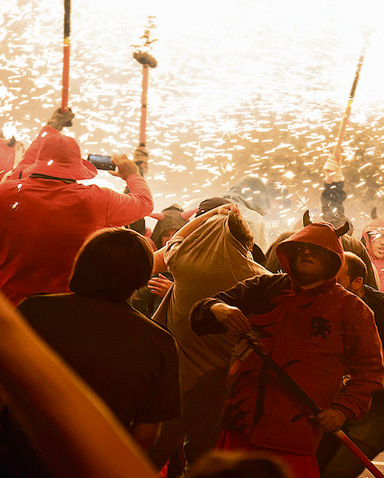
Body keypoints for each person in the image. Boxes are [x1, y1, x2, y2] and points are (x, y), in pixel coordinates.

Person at [189, 215, 384, 478]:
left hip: (295, 435)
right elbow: (202, 313)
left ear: (333, 258)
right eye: (300, 248)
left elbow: (370, 371)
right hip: (240, 425)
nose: (306, 254)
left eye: (315, 250)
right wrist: (217, 307)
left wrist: (343, 409)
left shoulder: (353, 310)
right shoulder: (265, 288)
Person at [0, 228, 181, 477]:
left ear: (81, 264)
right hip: (92, 465)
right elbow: (146, 433)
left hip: (18, 457)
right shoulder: (159, 341)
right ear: (141, 278)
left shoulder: (37, 308)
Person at [146, 203, 270, 473]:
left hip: (169, 384)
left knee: (148, 456)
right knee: (202, 463)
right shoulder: (260, 280)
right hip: (216, 391)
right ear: (248, 241)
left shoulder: (185, 261)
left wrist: (214, 215)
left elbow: (177, 239)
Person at [0, 108, 154, 306]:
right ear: (76, 168)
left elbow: (25, 163)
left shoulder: (8, 192)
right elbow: (144, 202)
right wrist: (133, 174)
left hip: (11, 308)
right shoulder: (96, 200)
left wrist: (51, 127)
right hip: (64, 310)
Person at [316, 252, 384, 477]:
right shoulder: (329, 303)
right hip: (348, 396)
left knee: (337, 472)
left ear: (358, 282)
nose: (329, 286)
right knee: (314, 464)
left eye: (337, 281)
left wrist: (344, 382)